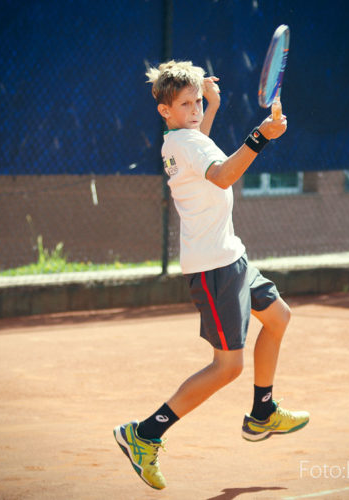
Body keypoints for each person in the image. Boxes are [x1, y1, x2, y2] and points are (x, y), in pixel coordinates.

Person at [113, 60, 309, 490]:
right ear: (164, 110)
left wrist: (212, 105)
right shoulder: (188, 143)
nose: (195, 110)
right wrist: (260, 136)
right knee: (227, 367)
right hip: (214, 268)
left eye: (197, 102)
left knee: (278, 317)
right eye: (186, 104)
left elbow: (200, 146)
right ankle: (144, 433)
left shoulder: (178, 141)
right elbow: (221, 176)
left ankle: (262, 412)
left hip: (230, 257)